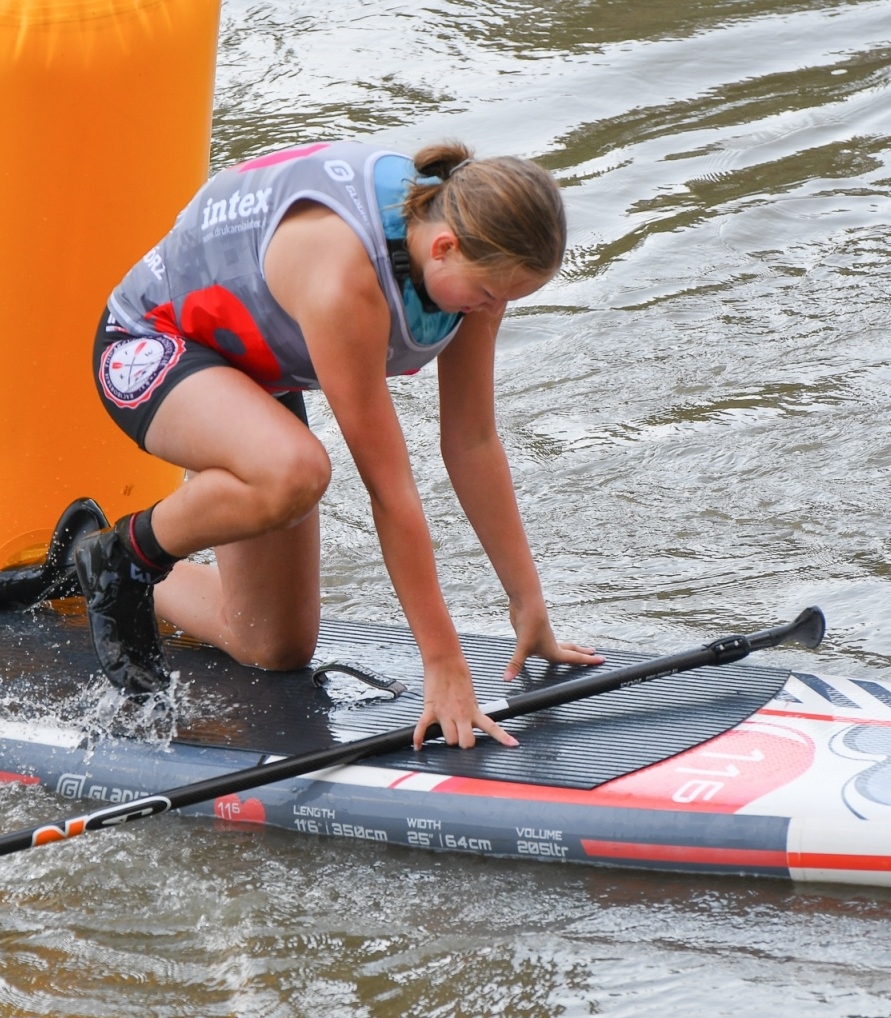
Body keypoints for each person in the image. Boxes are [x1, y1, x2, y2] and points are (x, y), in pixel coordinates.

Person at [73, 140, 602, 750]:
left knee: (273, 646)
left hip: (252, 370)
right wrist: (443, 663)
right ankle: (123, 558)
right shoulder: (344, 280)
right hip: (150, 344)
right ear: (445, 247)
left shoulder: (469, 255)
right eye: (490, 296)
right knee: (297, 470)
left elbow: (474, 441)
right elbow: (390, 488)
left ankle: (84, 556)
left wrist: (527, 603)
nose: (493, 311)